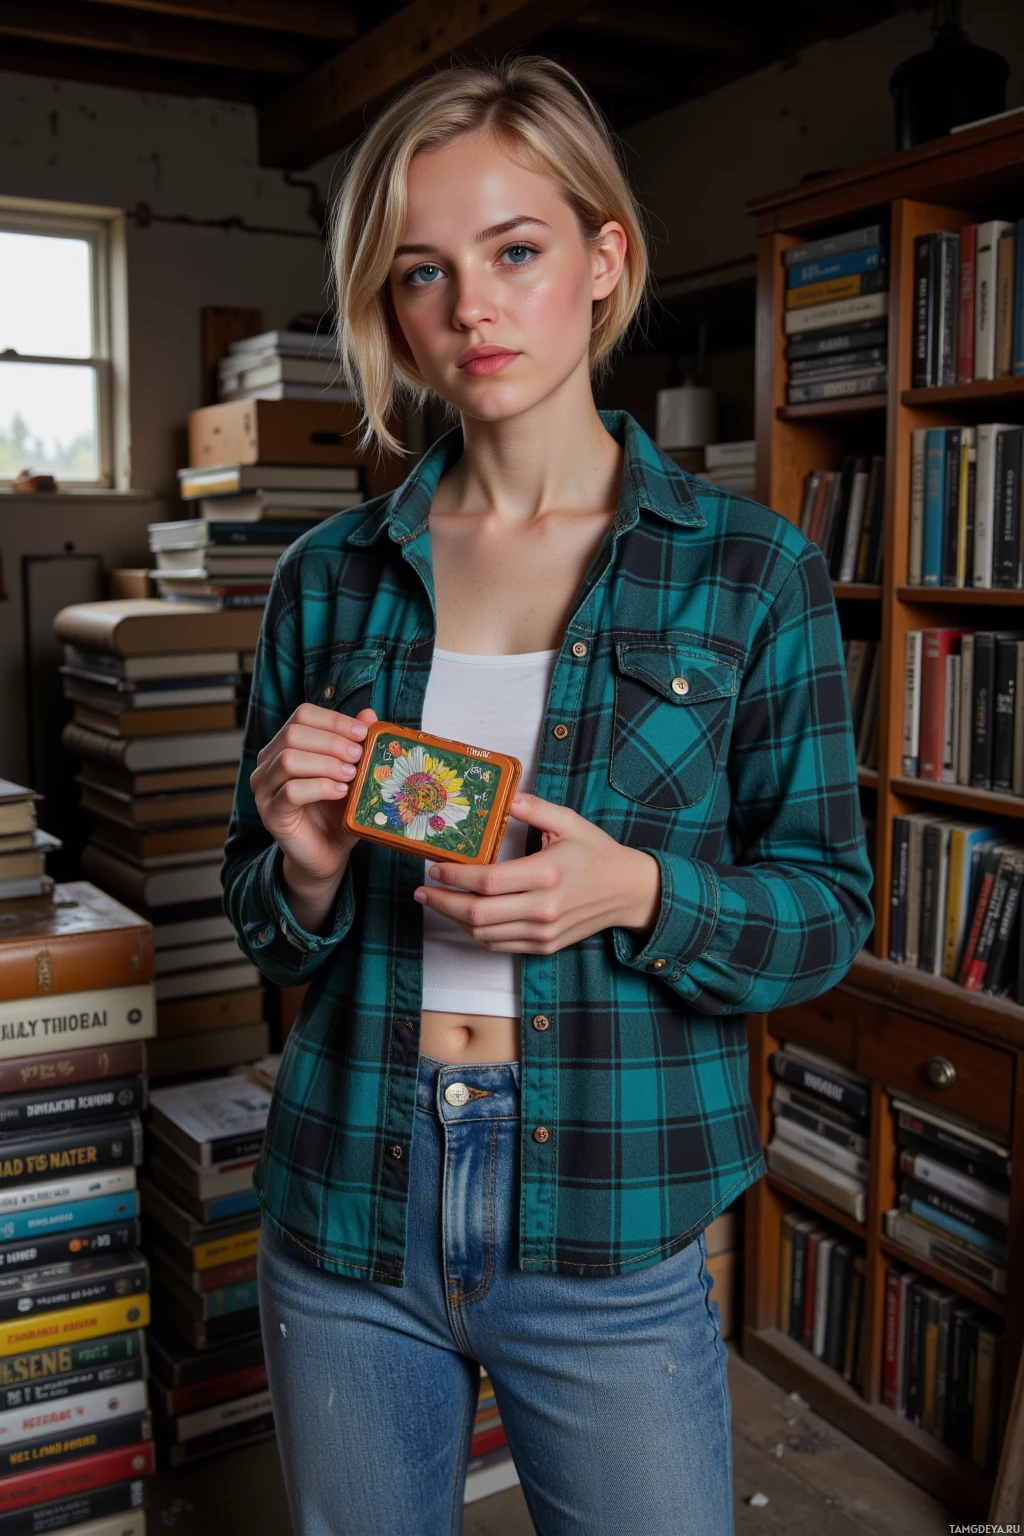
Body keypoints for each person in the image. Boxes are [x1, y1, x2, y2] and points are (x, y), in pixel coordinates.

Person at [222, 55, 874, 1536]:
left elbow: (826, 915)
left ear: (604, 258)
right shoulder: (327, 582)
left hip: (611, 1207)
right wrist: (305, 865)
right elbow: (265, 929)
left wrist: (635, 890)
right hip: (346, 1206)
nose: (470, 309)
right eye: (420, 274)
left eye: (515, 251)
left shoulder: (749, 572)